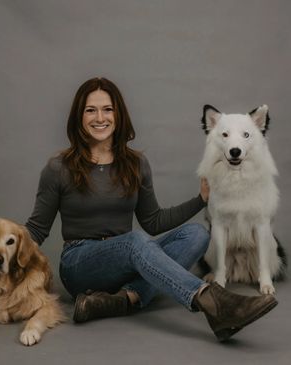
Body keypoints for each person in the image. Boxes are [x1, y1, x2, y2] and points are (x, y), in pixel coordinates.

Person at [25, 77, 277, 341]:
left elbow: (153, 222)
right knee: (134, 241)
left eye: (108, 109)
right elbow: (36, 230)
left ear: (118, 114)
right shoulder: (58, 168)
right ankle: (215, 303)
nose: (100, 117)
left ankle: (122, 299)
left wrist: (200, 200)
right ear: (79, 116)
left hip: (127, 259)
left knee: (198, 235)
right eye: (91, 110)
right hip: (80, 264)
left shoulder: (136, 163)